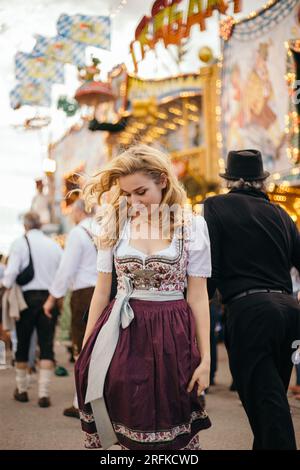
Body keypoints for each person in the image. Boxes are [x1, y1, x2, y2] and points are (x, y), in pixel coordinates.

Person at [75, 144, 212, 450]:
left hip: (172, 334)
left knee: (172, 420)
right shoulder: (115, 224)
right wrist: (85, 350)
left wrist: (206, 360)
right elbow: (101, 291)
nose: (133, 202)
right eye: (126, 194)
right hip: (120, 333)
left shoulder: (192, 227)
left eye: (141, 192)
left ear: (163, 180)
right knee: (121, 419)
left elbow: (199, 297)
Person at [204, 149, 300, 450]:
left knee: (267, 405)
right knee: (270, 401)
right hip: (289, 312)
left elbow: (212, 268)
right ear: (261, 180)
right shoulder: (282, 214)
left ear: (230, 180)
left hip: (249, 312)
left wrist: (193, 310)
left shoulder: (215, 206)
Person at [43, 199, 98, 418]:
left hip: (84, 294)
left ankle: (80, 402)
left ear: (79, 211)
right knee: (102, 347)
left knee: (81, 346)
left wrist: (52, 298)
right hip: (108, 292)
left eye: (72, 212)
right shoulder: (106, 228)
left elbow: (66, 269)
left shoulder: (78, 232)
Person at [2, 212, 62, 407]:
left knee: (23, 344)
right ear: (41, 225)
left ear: (25, 226)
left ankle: (22, 390)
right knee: (46, 346)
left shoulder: (20, 243)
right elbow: (62, 274)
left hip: (26, 301)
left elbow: (10, 274)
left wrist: (5, 285)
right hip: (49, 300)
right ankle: (44, 394)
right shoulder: (53, 245)